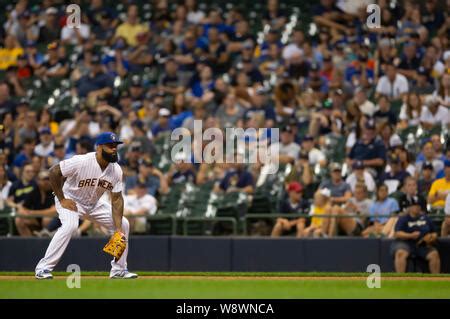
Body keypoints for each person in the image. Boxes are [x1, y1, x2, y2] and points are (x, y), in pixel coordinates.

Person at [35, 132, 138, 279]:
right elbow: (54, 172)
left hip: (93, 204)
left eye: (116, 146)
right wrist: (62, 199)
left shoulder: (116, 170)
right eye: (110, 146)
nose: (114, 149)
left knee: (124, 224)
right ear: (99, 147)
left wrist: (118, 228)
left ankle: (119, 270)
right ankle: (43, 268)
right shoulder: (82, 161)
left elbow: (116, 199)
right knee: (71, 225)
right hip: (71, 200)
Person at [391, 196, 440, 273]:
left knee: (434, 254)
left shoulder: (425, 218)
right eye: (414, 205)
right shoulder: (404, 218)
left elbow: (434, 232)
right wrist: (410, 235)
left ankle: (436, 279)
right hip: (406, 243)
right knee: (400, 253)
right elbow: (397, 233)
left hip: (422, 244)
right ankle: (400, 278)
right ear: (409, 207)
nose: (417, 207)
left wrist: (432, 237)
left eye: (418, 205)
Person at [15, 170, 56, 237]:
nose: (47, 181)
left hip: (52, 221)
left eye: (49, 179)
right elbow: (22, 208)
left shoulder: (54, 192)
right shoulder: (34, 192)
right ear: (38, 181)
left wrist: (33, 213)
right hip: (36, 220)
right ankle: (29, 243)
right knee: (19, 219)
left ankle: (46, 241)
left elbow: (53, 211)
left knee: (46, 219)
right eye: (44, 179)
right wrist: (24, 212)